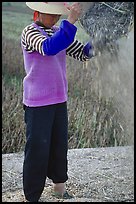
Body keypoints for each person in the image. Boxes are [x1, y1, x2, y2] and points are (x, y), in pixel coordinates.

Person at [21, 2, 94, 202]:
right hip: (37, 103)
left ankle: (59, 189)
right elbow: (49, 48)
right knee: (37, 148)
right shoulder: (30, 32)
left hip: (59, 99)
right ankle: (32, 196)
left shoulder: (57, 32)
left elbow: (82, 53)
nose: (55, 19)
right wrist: (70, 21)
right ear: (38, 12)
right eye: (50, 14)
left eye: (57, 15)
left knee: (59, 146)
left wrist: (102, 39)